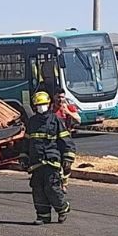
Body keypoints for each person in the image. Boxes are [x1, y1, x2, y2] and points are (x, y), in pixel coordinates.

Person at [26, 91, 76, 225]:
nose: (41, 107)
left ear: (48, 105)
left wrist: (68, 158)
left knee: (52, 188)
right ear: (34, 106)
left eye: (43, 104)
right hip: (36, 163)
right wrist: (23, 157)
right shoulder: (32, 122)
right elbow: (26, 142)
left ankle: (62, 209)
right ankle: (43, 216)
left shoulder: (55, 120)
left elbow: (66, 141)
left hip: (51, 161)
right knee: (38, 190)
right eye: (39, 105)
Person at [52, 89, 81, 192]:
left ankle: (65, 182)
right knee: (56, 163)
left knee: (67, 163)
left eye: (62, 97)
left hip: (66, 141)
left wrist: (68, 112)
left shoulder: (69, 107)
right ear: (54, 97)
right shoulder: (50, 110)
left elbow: (78, 119)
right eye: (58, 97)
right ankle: (59, 183)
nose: (60, 99)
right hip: (54, 141)